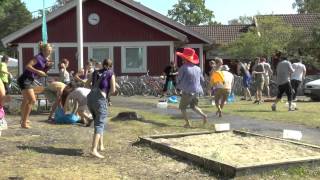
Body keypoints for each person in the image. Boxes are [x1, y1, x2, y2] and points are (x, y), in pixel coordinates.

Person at [17, 42, 53, 129]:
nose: (49, 52)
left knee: (26, 100)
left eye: (50, 51)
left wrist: (47, 67)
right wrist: (38, 71)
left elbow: (42, 72)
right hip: (25, 79)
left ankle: (23, 119)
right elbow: (28, 66)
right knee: (32, 100)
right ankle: (24, 122)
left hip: (29, 80)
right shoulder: (38, 57)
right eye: (48, 50)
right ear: (43, 50)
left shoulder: (45, 59)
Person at [87, 59, 116, 158]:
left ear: (103, 64)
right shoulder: (111, 73)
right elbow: (113, 90)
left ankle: (101, 145)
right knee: (100, 124)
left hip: (90, 98)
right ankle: (94, 149)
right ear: (111, 66)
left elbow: (86, 84)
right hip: (100, 99)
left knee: (98, 121)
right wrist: (108, 95)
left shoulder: (95, 72)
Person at [176, 48, 207, 128]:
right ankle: (204, 115)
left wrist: (178, 89)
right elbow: (202, 80)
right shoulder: (198, 68)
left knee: (182, 107)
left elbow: (178, 79)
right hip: (197, 91)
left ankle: (187, 123)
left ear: (184, 58)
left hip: (187, 91)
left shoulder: (183, 68)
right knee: (193, 106)